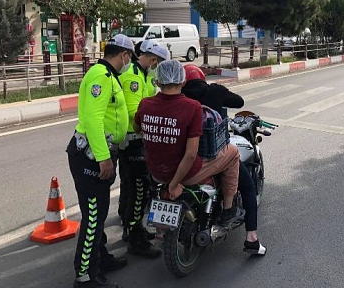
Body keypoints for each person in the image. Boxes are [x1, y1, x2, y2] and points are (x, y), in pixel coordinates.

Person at [134, 59, 245, 229]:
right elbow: (191, 154)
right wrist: (174, 184)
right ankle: (228, 209)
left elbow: (137, 129)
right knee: (233, 152)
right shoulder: (192, 107)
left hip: (156, 172)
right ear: (182, 81)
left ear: (157, 82)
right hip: (185, 174)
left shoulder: (145, 104)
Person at [66, 34, 134, 288]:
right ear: (124, 55)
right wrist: (104, 158)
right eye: (129, 57)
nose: (129, 61)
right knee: (93, 217)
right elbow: (94, 120)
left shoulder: (108, 76)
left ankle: (100, 257)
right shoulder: (101, 76)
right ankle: (85, 276)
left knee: (99, 214)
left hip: (98, 154)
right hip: (91, 158)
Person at [182, 64, 266, 255]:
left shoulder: (178, 95)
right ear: (202, 78)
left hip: (182, 155)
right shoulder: (213, 91)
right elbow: (239, 102)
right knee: (247, 187)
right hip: (211, 154)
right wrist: (218, 92)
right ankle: (251, 238)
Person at [117, 42, 169, 257]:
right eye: (159, 63)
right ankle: (135, 239)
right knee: (139, 191)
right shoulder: (133, 77)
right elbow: (133, 112)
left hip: (138, 139)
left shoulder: (144, 75)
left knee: (133, 189)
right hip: (132, 140)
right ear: (153, 60)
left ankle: (133, 230)